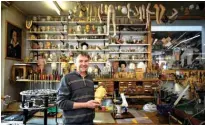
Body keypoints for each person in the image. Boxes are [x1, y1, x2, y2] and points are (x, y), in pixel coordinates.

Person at [57, 52, 100, 125]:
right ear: (75, 62)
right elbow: (61, 103)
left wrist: (97, 103)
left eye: (86, 61)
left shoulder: (90, 79)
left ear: (89, 62)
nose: (83, 64)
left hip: (89, 122)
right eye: (80, 61)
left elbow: (89, 100)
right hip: (72, 123)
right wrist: (86, 105)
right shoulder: (67, 78)